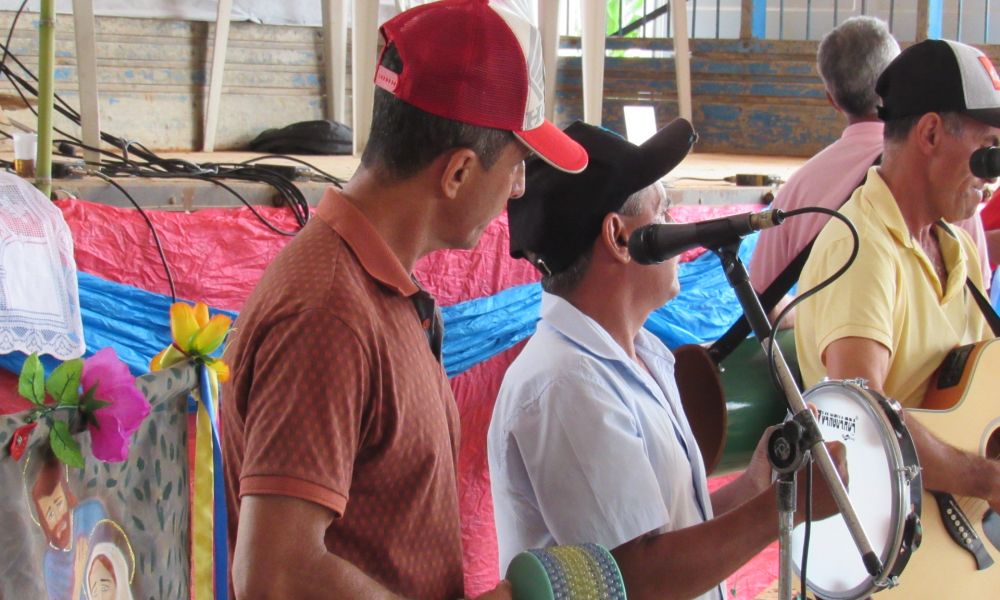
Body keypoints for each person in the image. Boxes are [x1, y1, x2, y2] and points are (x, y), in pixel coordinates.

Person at [220, 1, 587, 600]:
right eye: (518, 165)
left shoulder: (373, 286)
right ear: (459, 173)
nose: (518, 189)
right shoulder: (329, 314)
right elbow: (274, 575)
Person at [488, 121, 847, 600]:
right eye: (665, 209)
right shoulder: (565, 384)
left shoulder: (640, 356)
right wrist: (788, 506)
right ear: (619, 237)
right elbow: (641, 578)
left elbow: (666, 535)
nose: (681, 227)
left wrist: (755, 486)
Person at [796, 39, 1000, 519]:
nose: (993, 177)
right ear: (930, 134)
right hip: (889, 539)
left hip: (944, 525)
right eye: (987, 151)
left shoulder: (959, 249)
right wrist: (981, 478)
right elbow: (861, 416)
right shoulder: (863, 250)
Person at [749, 17, 990, 326]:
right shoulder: (948, 179)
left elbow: (760, 301)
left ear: (832, 100)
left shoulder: (800, 186)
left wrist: (815, 320)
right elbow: (976, 306)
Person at [31, 458, 107, 600]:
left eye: (59, 504)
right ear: (43, 522)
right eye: (50, 514)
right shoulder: (51, 565)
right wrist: (77, 576)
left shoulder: (92, 513)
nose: (59, 517)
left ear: (67, 498)